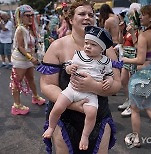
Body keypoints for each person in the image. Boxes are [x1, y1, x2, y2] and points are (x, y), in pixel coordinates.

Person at [37, 0, 121, 153]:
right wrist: (74, 105)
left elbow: (116, 83)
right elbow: (47, 85)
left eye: (91, 14)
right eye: (82, 14)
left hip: (98, 115)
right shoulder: (57, 46)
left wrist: (93, 87)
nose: (87, 17)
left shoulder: (106, 50)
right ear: (70, 19)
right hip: (64, 116)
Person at [43, 25, 114, 151]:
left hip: (90, 94)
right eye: (86, 43)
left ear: (101, 49)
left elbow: (109, 75)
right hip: (72, 90)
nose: (87, 46)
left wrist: (109, 80)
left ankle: (85, 136)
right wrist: (69, 69)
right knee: (58, 106)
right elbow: (69, 66)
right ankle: (51, 126)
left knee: (92, 113)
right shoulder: (79, 55)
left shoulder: (106, 61)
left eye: (93, 45)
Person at [123, 4, 151, 148]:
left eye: (143, 15)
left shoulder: (144, 35)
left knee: (135, 109)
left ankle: (135, 139)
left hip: (142, 75)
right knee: (148, 104)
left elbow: (139, 59)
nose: (140, 17)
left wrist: (124, 60)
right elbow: (144, 50)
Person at [10, 4, 46, 115]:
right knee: (17, 81)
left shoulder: (30, 28)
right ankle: (16, 105)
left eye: (32, 15)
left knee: (30, 78)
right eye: (27, 16)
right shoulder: (20, 29)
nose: (30, 18)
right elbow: (20, 47)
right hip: (20, 60)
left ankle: (35, 97)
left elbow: (34, 43)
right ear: (21, 17)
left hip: (28, 59)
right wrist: (31, 58)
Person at [118, 3, 141, 117]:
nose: (130, 18)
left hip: (132, 57)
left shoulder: (139, 30)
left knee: (132, 83)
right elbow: (121, 42)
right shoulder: (129, 27)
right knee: (123, 81)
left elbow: (138, 47)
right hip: (126, 56)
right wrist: (120, 30)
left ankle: (132, 105)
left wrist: (132, 33)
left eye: (132, 16)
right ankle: (128, 100)